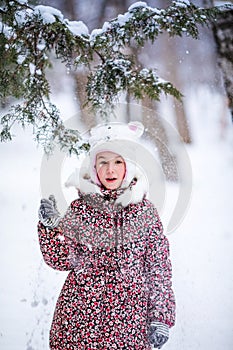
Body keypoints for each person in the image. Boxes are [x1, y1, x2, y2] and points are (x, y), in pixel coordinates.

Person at [38, 121, 176, 350]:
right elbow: (62, 259)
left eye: (117, 162)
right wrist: (52, 229)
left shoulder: (145, 213)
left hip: (130, 323)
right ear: (93, 168)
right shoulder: (81, 209)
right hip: (80, 320)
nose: (110, 170)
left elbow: (158, 268)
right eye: (103, 163)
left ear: (129, 166)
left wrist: (160, 316)